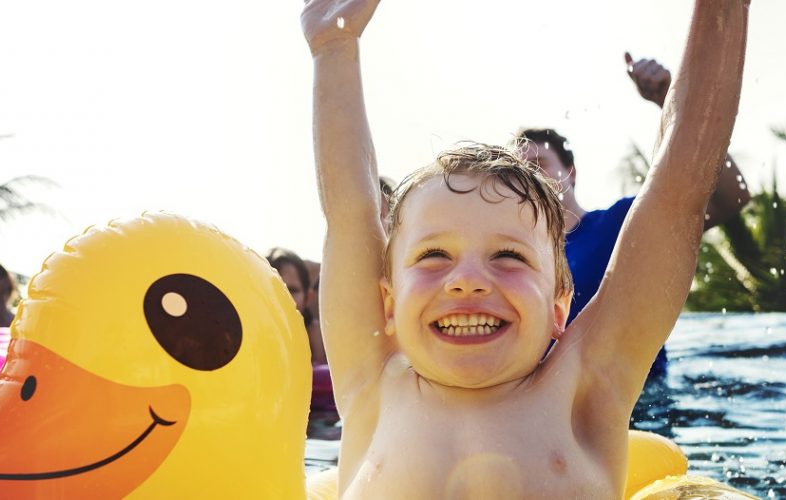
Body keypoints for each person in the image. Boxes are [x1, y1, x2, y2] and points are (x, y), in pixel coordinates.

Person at [303, 0, 748, 496]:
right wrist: (333, 47)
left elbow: (676, 195)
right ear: (387, 302)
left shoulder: (582, 391)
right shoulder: (373, 387)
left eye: (508, 257)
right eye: (434, 256)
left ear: (560, 308)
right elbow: (351, 214)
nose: (466, 278)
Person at [516, 60, 751, 380]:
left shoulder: (621, 225)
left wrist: (671, 99)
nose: (528, 177)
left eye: (539, 163)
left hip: (641, 406)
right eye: (517, 172)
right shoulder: (509, 261)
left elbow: (729, 197)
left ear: (570, 173)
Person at [266, 247, 327, 364]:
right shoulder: (253, 330)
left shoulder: (314, 333)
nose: (284, 296)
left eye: (293, 290)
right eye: (276, 288)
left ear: (308, 298)